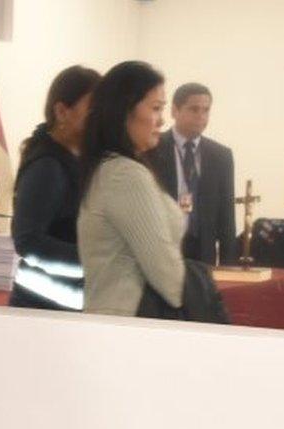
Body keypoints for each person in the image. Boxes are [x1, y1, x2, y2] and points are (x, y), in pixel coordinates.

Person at [77, 61, 185, 317]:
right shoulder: (126, 176)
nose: (162, 121)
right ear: (124, 110)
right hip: (127, 323)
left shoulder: (114, 168)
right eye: (156, 108)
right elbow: (168, 279)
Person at [9, 65, 100, 311]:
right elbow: (27, 240)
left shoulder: (79, 160)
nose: (101, 118)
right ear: (62, 111)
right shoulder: (48, 166)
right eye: (93, 109)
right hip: (42, 309)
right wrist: (95, 261)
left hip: (65, 308)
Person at [148, 83, 236, 265]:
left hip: (203, 250)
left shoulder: (220, 155)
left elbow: (226, 214)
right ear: (174, 111)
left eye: (206, 110)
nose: (201, 116)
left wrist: (229, 265)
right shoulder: (152, 148)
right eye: (194, 109)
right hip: (163, 248)